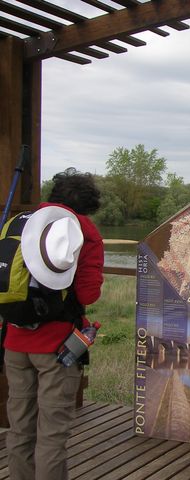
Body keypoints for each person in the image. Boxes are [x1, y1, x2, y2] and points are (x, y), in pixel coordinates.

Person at [3, 168, 103, 480]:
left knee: (20, 429)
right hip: (57, 349)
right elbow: (88, 293)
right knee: (51, 435)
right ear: (87, 204)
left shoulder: (21, 222)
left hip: (14, 341)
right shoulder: (84, 231)